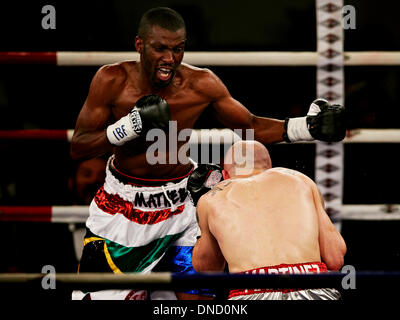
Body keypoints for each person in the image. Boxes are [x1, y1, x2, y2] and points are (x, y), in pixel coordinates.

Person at [70, 7, 346, 300]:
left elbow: (249, 125)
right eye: (160, 49)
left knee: (198, 298)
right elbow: (79, 146)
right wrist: (127, 127)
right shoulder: (111, 81)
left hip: (182, 202)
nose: (169, 58)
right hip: (123, 205)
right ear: (139, 45)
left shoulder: (200, 85)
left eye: (177, 49)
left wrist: (306, 128)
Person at [191, 140, 347, 300]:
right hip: (311, 284)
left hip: (251, 290)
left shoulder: (212, 198)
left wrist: (197, 212)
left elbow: (207, 271)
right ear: (269, 166)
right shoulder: (301, 180)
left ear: (225, 175)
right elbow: (335, 258)